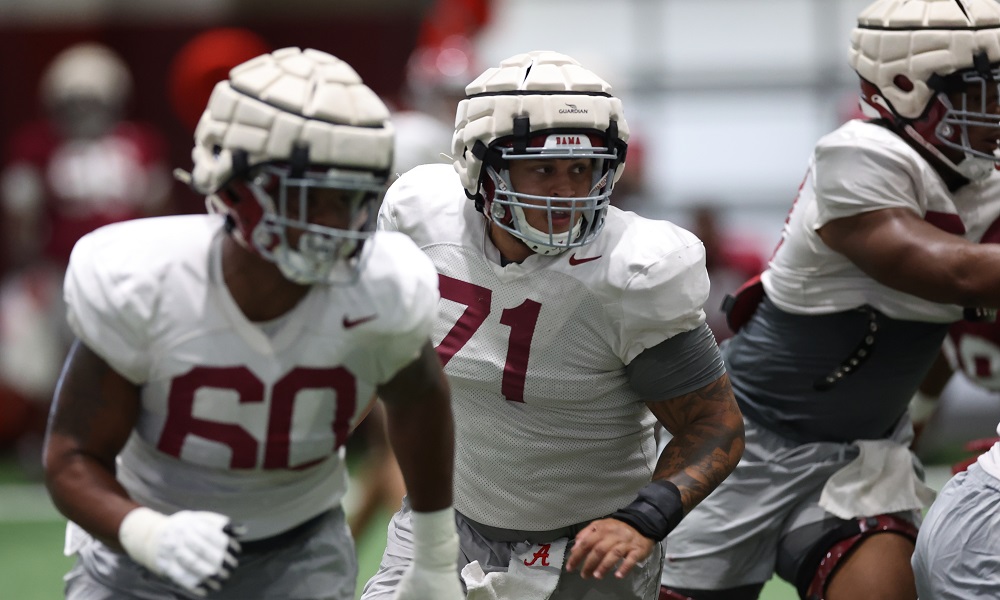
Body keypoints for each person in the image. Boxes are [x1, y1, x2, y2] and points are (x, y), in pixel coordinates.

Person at [41, 47, 464, 600]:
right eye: (314, 199)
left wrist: (434, 559)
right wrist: (147, 533)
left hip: (298, 549)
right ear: (237, 187)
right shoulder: (147, 281)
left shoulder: (385, 284)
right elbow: (72, 454)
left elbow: (421, 406)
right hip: (141, 547)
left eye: (352, 198)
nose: (339, 224)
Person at [361, 50, 745, 600]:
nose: (567, 192)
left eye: (581, 168)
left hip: (585, 546)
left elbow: (715, 425)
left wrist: (643, 520)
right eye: (542, 167)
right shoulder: (422, 218)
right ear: (480, 165)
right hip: (448, 520)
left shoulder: (634, 270)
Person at [658, 1, 1000, 599]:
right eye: (985, 89)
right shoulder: (861, 155)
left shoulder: (982, 173)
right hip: (745, 445)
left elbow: (939, 334)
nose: (997, 108)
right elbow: (948, 272)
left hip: (862, 457)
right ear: (907, 85)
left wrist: (918, 419)